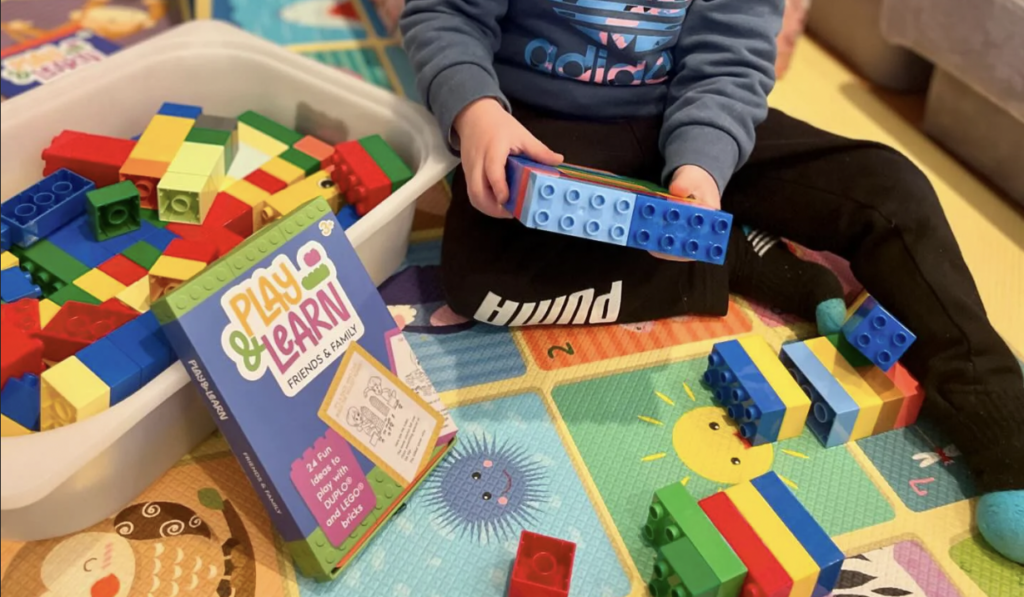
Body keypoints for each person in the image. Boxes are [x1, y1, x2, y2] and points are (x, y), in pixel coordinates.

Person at [400, 0, 1023, 563]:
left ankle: (1003, 423)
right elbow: (445, 13)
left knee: (891, 187)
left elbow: (731, 59)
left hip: (690, 122)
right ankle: (743, 258)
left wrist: (702, 169)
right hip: (543, 134)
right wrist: (475, 110)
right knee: (482, 285)